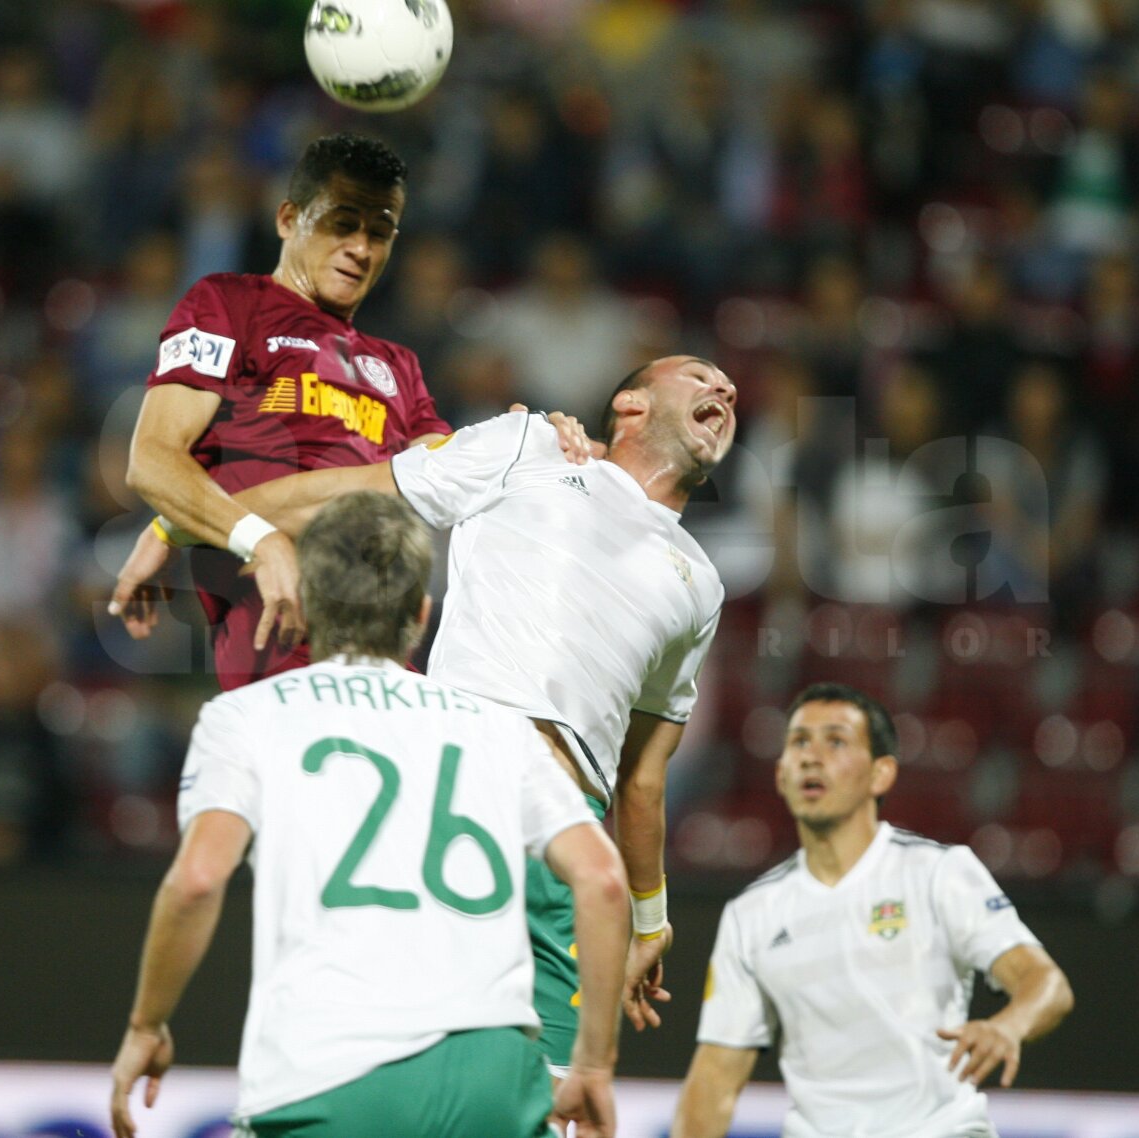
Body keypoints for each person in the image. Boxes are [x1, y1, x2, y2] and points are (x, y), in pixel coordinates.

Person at [121, 354, 737, 1073]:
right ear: (631, 405)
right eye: (699, 375)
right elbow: (348, 492)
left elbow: (643, 777)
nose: (724, 388)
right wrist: (183, 524)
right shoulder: (530, 447)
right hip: (455, 800)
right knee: (395, 1067)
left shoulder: (701, 585)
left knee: (553, 1101)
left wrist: (651, 920)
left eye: (727, 386)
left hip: (566, 846)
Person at [109, 492, 629, 1138]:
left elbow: (197, 880)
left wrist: (147, 1024)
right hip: (493, 1076)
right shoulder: (501, 730)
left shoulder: (246, 718)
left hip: (331, 1068)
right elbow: (604, 880)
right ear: (421, 614)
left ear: (303, 601)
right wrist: (594, 1063)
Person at [111, 131, 592, 689]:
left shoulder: (398, 366)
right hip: (286, 652)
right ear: (288, 219)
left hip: (390, 660)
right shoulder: (229, 304)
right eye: (342, 225)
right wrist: (257, 538)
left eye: (379, 233)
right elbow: (152, 461)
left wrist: (537, 440)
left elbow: (443, 471)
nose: (361, 249)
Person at [672, 682, 1075, 1138]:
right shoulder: (751, 914)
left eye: (836, 741)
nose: (811, 757)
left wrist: (1008, 1026)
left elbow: (1046, 984)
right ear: (780, 773)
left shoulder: (938, 873)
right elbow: (715, 1079)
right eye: (799, 742)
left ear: (881, 773)